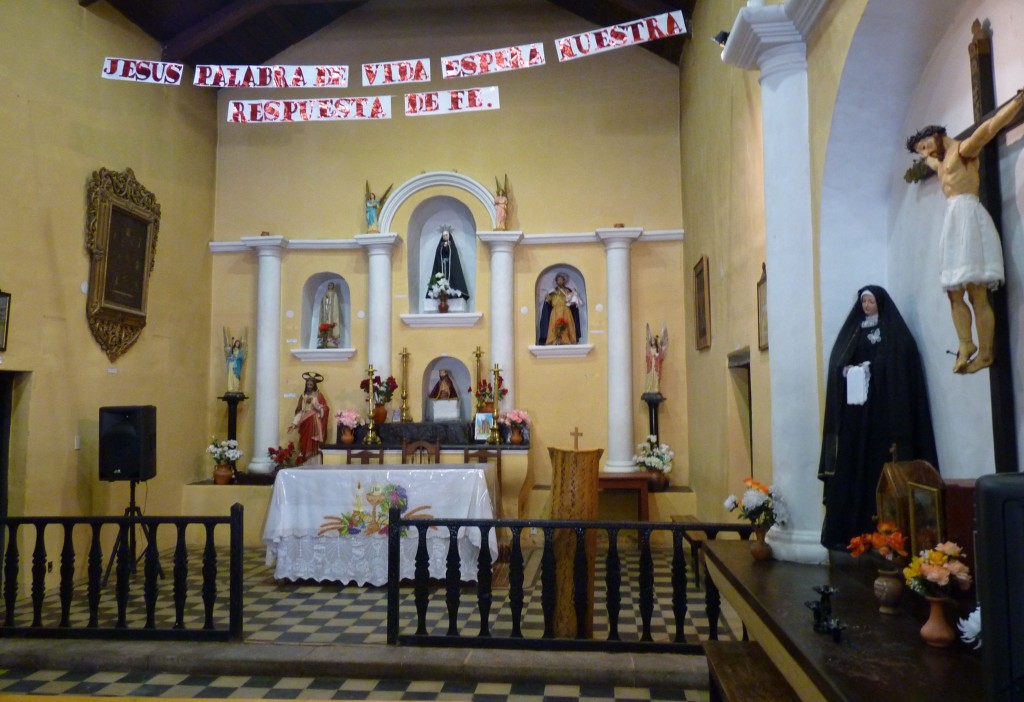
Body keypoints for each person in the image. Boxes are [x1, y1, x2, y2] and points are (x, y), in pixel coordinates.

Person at [906, 87, 1024, 374]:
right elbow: (931, 162)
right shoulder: (941, 162)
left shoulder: (962, 150)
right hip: (953, 222)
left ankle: (985, 352)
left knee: (976, 293)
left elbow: (988, 129)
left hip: (969, 218)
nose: (925, 151)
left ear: (936, 134)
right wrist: (921, 159)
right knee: (954, 292)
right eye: (921, 150)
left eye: (924, 145)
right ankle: (966, 343)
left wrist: (1017, 104)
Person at [818, 286, 937, 551]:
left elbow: (902, 361)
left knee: (883, 466)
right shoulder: (854, 331)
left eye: (871, 301)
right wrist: (849, 370)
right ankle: (852, 530)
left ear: (880, 302)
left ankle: (891, 536)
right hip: (858, 416)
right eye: (864, 301)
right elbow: (839, 363)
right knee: (855, 467)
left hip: (885, 415)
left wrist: (877, 369)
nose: (867, 305)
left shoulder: (894, 333)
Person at [288, 372, 329, 464]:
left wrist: (317, 408)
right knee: (304, 441)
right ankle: (305, 459)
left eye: (311, 384)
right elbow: (299, 411)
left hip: (314, 421)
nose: (309, 386)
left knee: (313, 441)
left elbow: (325, 408)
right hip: (304, 422)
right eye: (308, 384)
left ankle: (314, 461)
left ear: (314, 385)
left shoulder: (318, 395)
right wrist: (294, 424)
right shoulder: (303, 396)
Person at [538, 272, 583, 345]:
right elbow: (548, 303)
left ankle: (567, 341)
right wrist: (546, 298)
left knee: (567, 325)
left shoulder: (568, 291)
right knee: (554, 326)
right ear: (556, 281)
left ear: (564, 281)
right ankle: (554, 341)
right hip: (555, 311)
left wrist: (573, 299)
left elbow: (572, 302)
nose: (559, 281)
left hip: (566, 311)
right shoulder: (553, 292)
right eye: (558, 280)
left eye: (561, 280)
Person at [426, 228, 470, 300]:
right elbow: (438, 257)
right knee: (439, 277)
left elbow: (453, 257)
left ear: (449, 236)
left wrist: (448, 247)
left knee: (453, 279)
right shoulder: (440, 246)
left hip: (450, 268)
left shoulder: (452, 246)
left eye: (446, 235)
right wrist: (442, 249)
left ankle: (452, 293)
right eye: (444, 236)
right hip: (441, 266)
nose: (445, 237)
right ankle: (440, 292)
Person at [643, 323, 669, 394]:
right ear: (650, 342)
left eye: (654, 341)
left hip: (655, 366)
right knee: (650, 377)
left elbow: (660, 357)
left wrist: (656, 356)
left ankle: (655, 388)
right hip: (651, 366)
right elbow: (647, 356)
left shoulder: (658, 349)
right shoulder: (649, 349)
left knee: (655, 378)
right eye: (652, 341)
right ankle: (649, 388)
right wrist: (651, 356)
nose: (653, 342)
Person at [317, 282, 341, 348]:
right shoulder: (325, 293)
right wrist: (326, 299)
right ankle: (324, 342)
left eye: (331, 285)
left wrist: (330, 301)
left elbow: (335, 304)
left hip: (332, 313)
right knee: (325, 323)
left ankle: (332, 342)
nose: (330, 286)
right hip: (326, 312)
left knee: (332, 324)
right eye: (329, 285)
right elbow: (324, 302)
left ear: (333, 286)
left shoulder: (334, 294)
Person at [222, 327, 246, 392]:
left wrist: (237, 358)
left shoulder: (240, 351)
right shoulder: (231, 350)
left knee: (236, 376)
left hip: (237, 365)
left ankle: (236, 388)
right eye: (236, 343)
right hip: (231, 363)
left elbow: (241, 357)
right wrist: (231, 357)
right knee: (230, 376)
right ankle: (230, 388)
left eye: (238, 343)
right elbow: (228, 356)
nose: (237, 344)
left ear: (239, 345)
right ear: (234, 344)